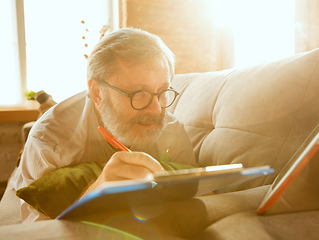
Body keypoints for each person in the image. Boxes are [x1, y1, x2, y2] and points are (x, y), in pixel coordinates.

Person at [13, 28, 197, 223]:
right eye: (137, 93)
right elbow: (37, 231)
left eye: (161, 91)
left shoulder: (171, 128)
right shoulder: (49, 140)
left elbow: (201, 195)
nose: (155, 110)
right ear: (98, 93)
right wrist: (94, 196)